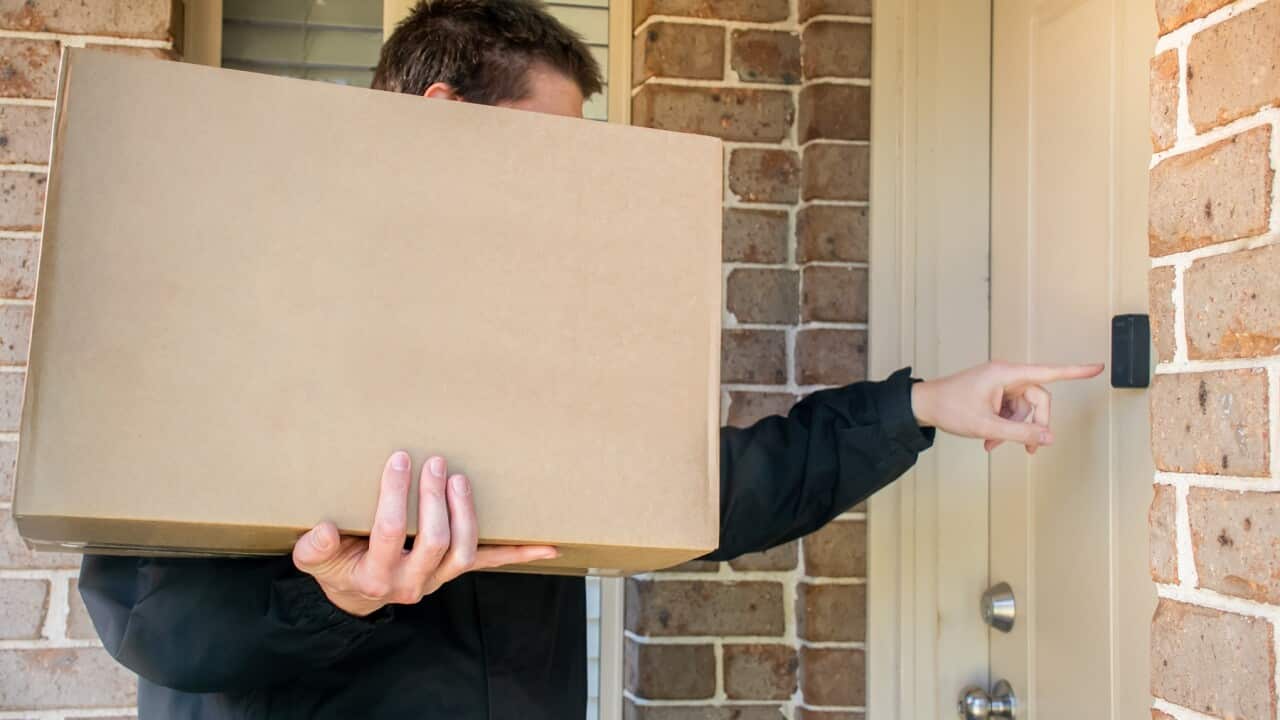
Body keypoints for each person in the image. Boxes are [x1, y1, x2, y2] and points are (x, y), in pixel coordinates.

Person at [77, 2, 1104, 718]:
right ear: (441, 117)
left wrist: (921, 406)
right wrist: (332, 595)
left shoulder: (540, 329)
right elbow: (152, 624)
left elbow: (699, 494)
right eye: (552, 142)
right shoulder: (235, 296)